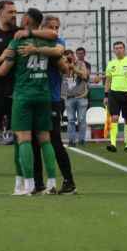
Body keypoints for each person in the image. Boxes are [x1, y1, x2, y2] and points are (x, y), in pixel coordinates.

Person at [0, 1, 57, 194]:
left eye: (16, 12)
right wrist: (1, 58)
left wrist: (29, 33)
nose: (14, 15)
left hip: (18, 93)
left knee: (20, 139)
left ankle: (20, 184)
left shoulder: (22, 33)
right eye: (10, 12)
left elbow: (51, 35)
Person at [32, 16, 77, 195]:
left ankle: (69, 181)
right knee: (34, 142)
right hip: (33, 98)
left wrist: (36, 50)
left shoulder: (58, 42)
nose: (55, 30)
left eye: (57, 27)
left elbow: (59, 52)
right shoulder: (33, 41)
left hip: (52, 99)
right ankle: (38, 183)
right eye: (51, 27)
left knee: (54, 140)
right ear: (42, 27)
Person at [103, 41, 127, 152]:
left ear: (124, 49)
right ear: (113, 50)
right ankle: (113, 144)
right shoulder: (111, 63)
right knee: (114, 117)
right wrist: (106, 95)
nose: (118, 50)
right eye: (116, 48)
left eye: (120, 48)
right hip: (114, 94)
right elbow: (108, 80)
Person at [63, 49, 89, 146]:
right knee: (70, 120)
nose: (69, 59)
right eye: (67, 57)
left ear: (74, 56)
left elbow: (85, 76)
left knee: (81, 120)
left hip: (81, 96)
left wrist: (74, 68)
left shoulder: (81, 64)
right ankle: (72, 140)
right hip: (69, 96)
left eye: (71, 57)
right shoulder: (63, 65)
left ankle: (82, 140)